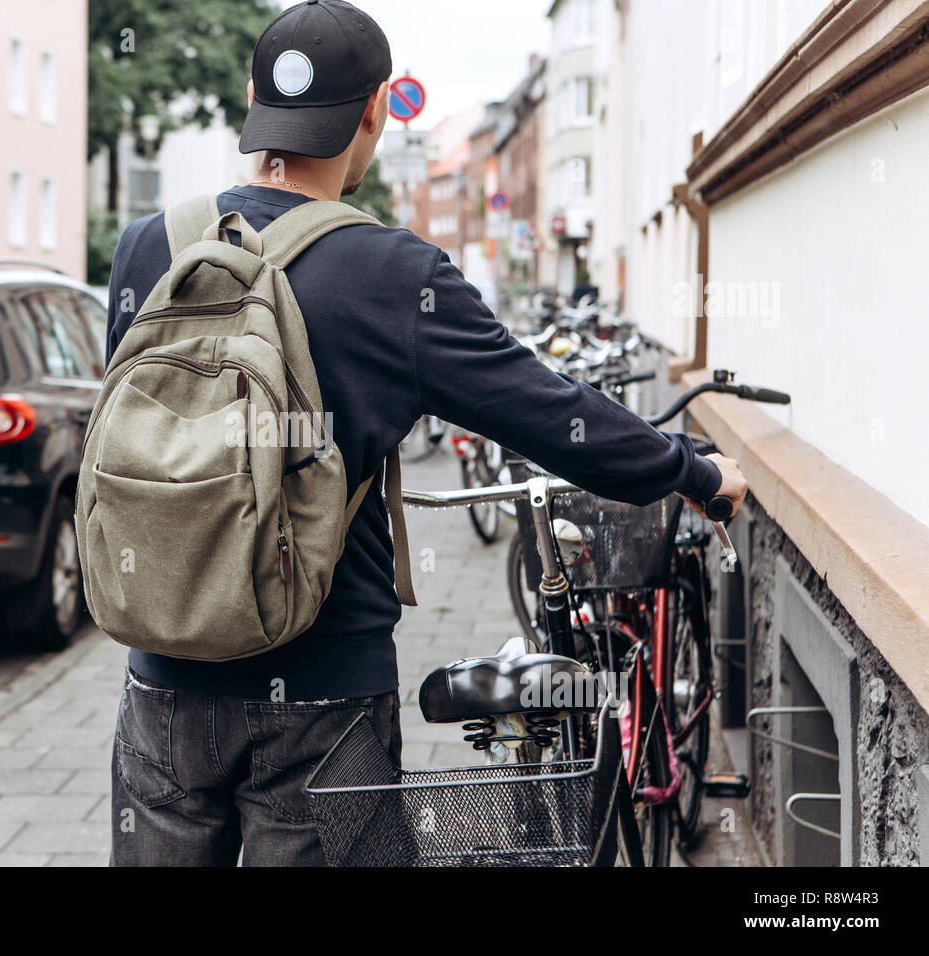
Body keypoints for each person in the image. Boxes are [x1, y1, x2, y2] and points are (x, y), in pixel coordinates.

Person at [104, 0, 746, 866]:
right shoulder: (395, 275)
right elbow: (555, 415)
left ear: (254, 94)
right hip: (320, 700)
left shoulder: (149, 246)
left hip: (160, 686)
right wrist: (695, 475)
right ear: (375, 110)